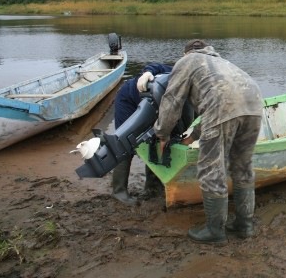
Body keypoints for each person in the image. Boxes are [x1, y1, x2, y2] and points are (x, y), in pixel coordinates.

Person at [153, 39, 263, 245]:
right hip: (255, 104)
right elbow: (221, 100)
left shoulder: (187, 61)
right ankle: (245, 225)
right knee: (243, 167)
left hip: (223, 106)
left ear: (185, 53)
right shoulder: (222, 63)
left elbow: (172, 101)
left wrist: (162, 134)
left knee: (211, 169)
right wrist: (193, 136)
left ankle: (215, 231)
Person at [111, 62, 173, 206]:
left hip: (153, 105)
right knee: (124, 142)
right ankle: (119, 190)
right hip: (129, 99)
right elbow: (155, 66)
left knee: (155, 139)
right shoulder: (177, 71)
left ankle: (153, 186)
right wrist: (147, 72)